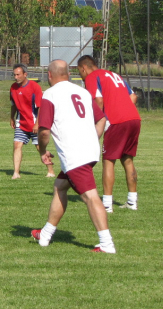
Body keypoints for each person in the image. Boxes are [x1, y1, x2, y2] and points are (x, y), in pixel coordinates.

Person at [32, 59, 115, 253]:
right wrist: (92, 138)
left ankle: (107, 244)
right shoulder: (83, 92)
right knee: (60, 186)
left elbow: (44, 132)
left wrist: (43, 151)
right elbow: (102, 118)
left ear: (49, 75)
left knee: (90, 197)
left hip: (75, 155)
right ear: (68, 74)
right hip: (89, 151)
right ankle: (45, 234)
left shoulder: (50, 95)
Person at [77, 54, 141, 212]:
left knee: (108, 160)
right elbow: (133, 96)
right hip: (134, 118)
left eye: (80, 71)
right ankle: (132, 201)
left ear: (84, 68)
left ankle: (106, 204)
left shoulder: (92, 77)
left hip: (116, 121)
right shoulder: (114, 75)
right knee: (127, 160)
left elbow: (98, 101)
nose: (81, 75)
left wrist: (97, 121)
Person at [9, 64, 54, 179]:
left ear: (25, 74)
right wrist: (11, 118)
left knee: (40, 148)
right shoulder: (13, 88)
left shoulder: (34, 87)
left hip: (34, 123)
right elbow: (13, 104)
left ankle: (50, 171)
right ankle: (16, 173)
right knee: (17, 145)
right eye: (14, 74)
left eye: (18, 74)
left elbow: (40, 107)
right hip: (21, 123)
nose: (16, 77)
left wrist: (37, 123)